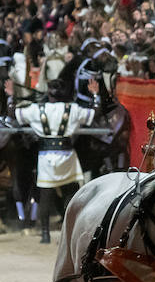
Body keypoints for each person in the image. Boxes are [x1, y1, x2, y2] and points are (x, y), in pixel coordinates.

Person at [14, 80, 97, 243]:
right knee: (71, 194)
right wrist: (95, 95)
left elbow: (14, 115)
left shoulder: (37, 109)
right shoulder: (72, 109)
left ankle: (45, 234)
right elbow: (95, 114)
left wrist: (11, 98)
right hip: (67, 155)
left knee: (46, 195)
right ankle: (71, 233)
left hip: (46, 157)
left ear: (48, 93)